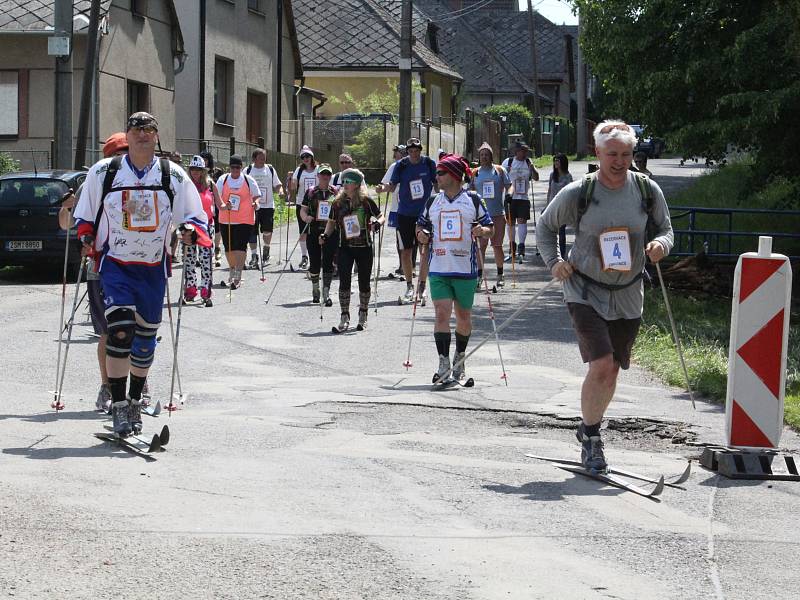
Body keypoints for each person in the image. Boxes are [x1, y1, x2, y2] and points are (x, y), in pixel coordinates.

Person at [536, 119, 674, 472]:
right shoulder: (579, 192)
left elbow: (666, 229)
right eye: (612, 154)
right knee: (600, 363)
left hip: (628, 293)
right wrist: (554, 262)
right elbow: (546, 227)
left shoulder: (646, 190)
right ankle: (594, 439)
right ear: (598, 153)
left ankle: (587, 427)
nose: (619, 161)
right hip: (584, 289)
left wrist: (660, 245)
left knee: (612, 370)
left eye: (626, 154)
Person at [72, 112, 211, 437]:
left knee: (145, 341)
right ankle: (119, 406)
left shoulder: (171, 175)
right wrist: (85, 235)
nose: (142, 135)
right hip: (116, 265)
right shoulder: (104, 173)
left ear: (156, 135)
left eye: (149, 130)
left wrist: (190, 230)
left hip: (152, 269)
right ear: (128, 134)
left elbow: (195, 216)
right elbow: (85, 215)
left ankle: (135, 400)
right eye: (136, 130)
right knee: (120, 331)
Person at [57, 132, 128, 413]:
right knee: (108, 332)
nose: (122, 158)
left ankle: (135, 385)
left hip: (133, 267)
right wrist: (66, 208)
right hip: (99, 268)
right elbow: (66, 224)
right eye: (117, 153)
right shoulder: (94, 182)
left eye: (125, 152)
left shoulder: (141, 181)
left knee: (134, 329)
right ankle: (107, 386)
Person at [416, 154, 493, 383]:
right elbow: (421, 226)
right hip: (439, 267)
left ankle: (460, 359)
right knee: (441, 313)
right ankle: (443, 364)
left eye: (440, 173)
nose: (436, 176)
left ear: (453, 175)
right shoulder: (433, 201)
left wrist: (482, 232)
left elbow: (489, 227)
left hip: (464, 269)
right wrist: (422, 235)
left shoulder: (473, 199)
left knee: (463, 317)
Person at [321, 169, 384, 332]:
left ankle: (363, 314)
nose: (345, 184)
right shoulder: (337, 203)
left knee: (364, 282)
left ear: (356, 184)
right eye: (344, 181)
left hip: (364, 247)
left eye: (348, 181)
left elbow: (381, 215)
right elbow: (331, 222)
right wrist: (325, 235)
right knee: (344, 282)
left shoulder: (366, 201)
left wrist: (377, 223)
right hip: (345, 248)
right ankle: (344, 316)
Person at [387, 137, 437, 304]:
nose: (414, 154)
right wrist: (383, 187)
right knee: (406, 251)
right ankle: (409, 286)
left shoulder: (428, 163)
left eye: (417, 151)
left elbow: (437, 186)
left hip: (424, 215)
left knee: (424, 250)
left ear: (420, 150)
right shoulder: (401, 165)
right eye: (411, 151)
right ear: (407, 152)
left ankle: (421, 286)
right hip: (404, 214)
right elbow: (392, 186)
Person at [215, 154, 261, 289]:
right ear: (229, 167)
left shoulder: (248, 180)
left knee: (240, 246)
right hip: (226, 219)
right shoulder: (222, 180)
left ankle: (237, 275)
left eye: (238, 167)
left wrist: (255, 203)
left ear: (241, 168)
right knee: (228, 248)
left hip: (244, 219)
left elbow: (257, 196)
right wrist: (222, 206)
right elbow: (217, 196)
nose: (235, 170)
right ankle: (232, 270)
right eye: (233, 167)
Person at [470, 142, 510, 289]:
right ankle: (479, 277)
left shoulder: (499, 170)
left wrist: (509, 195)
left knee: (497, 246)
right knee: (480, 247)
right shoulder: (475, 172)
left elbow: (509, 185)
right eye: (482, 155)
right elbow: (470, 191)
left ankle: (500, 275)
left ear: (491, 156)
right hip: (480, 217)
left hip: (497, 214)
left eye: (486, 154)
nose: (484, 157)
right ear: (479, 157)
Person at [300, 163, 336, 305]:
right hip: (313, 231)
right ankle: (315, 289)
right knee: (314, 263)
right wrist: (305, 217)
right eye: (323, 174)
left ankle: (326, 292)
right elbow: (302, 210)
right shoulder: (310, 192)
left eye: (328, 174)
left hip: (331, 232)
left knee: (328, 262)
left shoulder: (336, 192)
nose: (325, 177)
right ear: (318, 176)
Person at [185, 155, 219, 306]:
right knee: (189, 258)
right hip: (188, 226)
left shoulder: (210, 184)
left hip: (206, 226)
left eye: (198, 169)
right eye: (193, 169)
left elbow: (220, 203)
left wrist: (227, 206)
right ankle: (191, 290)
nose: (195, 172)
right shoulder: (184, 185)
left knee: (206, 259)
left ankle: (206, 290)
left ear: (203, 171)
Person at [245, 148, 284, 269]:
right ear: (254, 158)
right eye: (261, 157)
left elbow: (277, 184)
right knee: (252, 230)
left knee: (267, 230)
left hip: (267, 205)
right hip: (252, 206)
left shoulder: (270, 169)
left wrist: (280, 191)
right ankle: (254, 255)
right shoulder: (248, 170)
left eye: (264, 156)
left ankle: (266, 248)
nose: (263, 159)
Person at [502, 141, 539, 263]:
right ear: (516, 151)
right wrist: (505, 171)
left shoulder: (528, 162)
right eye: (521, 151)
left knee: (522, 222)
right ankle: (512, 249)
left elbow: (536, 178)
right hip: (510, 197)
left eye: (525, 151)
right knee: (510, 223)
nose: (523, 153)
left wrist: (532, 169)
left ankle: (521, 248)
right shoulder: (508, 162)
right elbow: (500, 176)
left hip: (523, 197)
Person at [376, 144, 408, 280]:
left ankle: (408, 266)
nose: (395, 156)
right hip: (397, 208)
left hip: (411, 207)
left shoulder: (412, 166)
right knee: (399, 238)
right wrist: (380, 188)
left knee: (412, 239)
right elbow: (386, 184)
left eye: (397, 153)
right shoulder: (395, 167)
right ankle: (402, 265)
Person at [289, 145, 319, 270]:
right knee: (303, 231)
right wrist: (291, 181)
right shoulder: (299, 170)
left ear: (312, 157)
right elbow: (293, 186)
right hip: (302, 204)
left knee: (317, 231)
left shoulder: (318, 169)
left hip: (317, 204)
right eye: (303, 157)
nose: (305, 159)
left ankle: (317, 257)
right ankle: (304, 256)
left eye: (307, 156)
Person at [546, 153, 574, 258]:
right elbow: (549, 190)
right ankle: (552, 253)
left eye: (558, 161)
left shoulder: (568, 176)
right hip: (551, 206)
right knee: (552, 231)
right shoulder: (552, 175)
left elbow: (571, 192)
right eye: (555, 161)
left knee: (561, 232)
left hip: (562, 207)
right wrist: (547, 205)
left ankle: (562, 254)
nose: (556, 163)